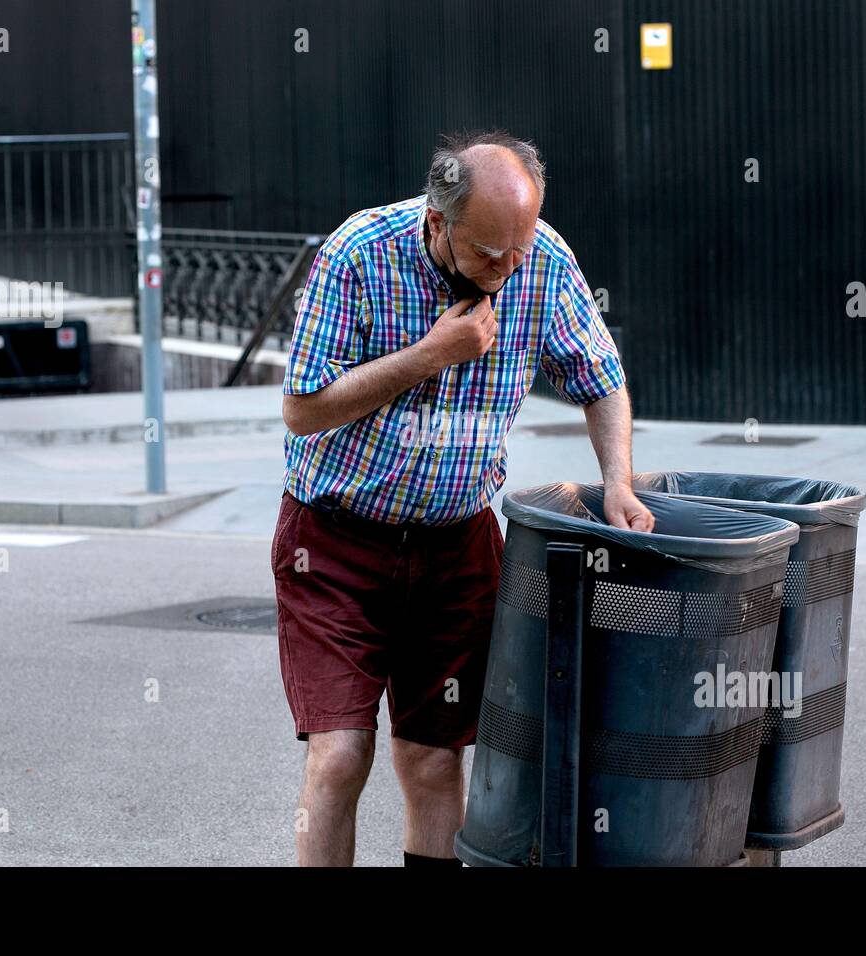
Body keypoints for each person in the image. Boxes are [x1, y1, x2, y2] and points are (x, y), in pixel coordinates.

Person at [273, 130, 654, 867]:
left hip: (457, 545)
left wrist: (617, 481)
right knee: (341, 754)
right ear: (438, 222)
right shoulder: (358, 254)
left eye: (520, 248)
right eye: (489, 253)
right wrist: (429, 356)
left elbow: (600, 377)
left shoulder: (539, 258)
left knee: (433, 757)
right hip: (336, 540)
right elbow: (303, 408)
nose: (508, 270)